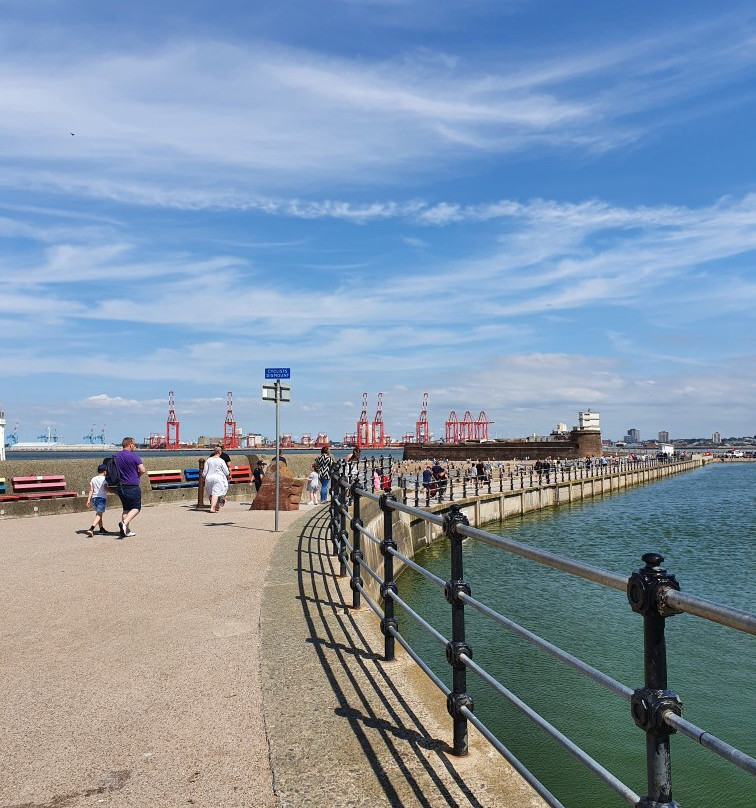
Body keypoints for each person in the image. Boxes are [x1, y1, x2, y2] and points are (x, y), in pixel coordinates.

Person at [114, 437, 146, 538]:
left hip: (120, 486)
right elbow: (142, 470)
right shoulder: (133, 456)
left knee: (126, 509)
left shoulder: (116, 456)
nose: (135, 446)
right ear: (130, 444)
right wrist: (137, 475)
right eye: (134, 445)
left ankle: (126, 531)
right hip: (132, 486)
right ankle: (124, 523)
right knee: (136, 507)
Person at [203, 446, 230, 513]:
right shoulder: (221, 461)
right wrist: (228, 475)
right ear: (220, 452)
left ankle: (216, 506)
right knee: (215, 493)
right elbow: (226, 472)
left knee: (211, 494)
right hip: (218, 478)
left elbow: (204, 472)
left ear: (214, 452)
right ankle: (212, 508)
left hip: (208, 478)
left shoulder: (209, 460)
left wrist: (203, 478)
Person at [85, 463, 109, 536]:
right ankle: (91, 528)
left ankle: (101, 528)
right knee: (99, 514)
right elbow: (105, 489)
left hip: (94, 498)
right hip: (102, 498)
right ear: (105, 471)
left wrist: (88, 500)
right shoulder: (105, 479)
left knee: (99, 513)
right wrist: (109, 489)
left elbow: (91, 490)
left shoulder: (93, 479)